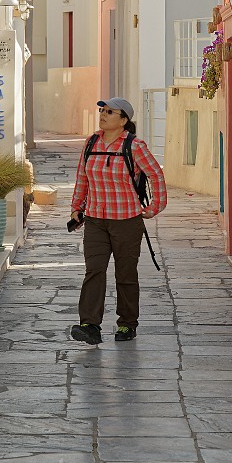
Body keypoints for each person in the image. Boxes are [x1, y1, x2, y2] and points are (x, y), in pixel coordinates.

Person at [69, 97, 167, 345]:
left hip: (126, 221)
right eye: (102, 110)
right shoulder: (91, 142)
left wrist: (155, 207)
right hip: (95, 221)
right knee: (94, 271)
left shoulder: (134, 146)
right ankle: (89, 325)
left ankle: (127, 324)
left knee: (125, 274)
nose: (103, 114)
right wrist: (76, 208)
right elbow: (83, 177)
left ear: (123, 120)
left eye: (110, 112)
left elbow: (155, 174)